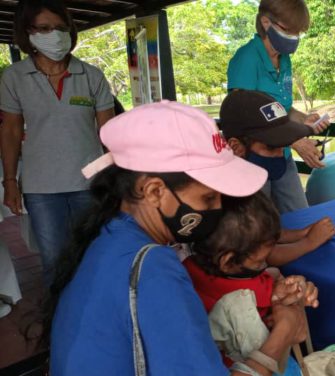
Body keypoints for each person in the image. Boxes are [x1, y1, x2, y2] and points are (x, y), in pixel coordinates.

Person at [48, 101, 315, 376]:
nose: (217, 209)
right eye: (208, 198)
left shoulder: (111, 234)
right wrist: (284, 330)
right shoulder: (153, 269)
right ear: (153, 191)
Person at [0, 0, 115, 285]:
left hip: (90, 183)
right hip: (41, 188)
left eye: (62, 28)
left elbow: (110, 133)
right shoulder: (14, 77)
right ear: (28, 33)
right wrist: (10, 182)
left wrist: (118, 179)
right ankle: (61, 319)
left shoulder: (90, 75)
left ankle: (96, 318)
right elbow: (11, 131)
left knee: (94, 254)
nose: (55, 35)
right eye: (45, 28)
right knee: (54, 261)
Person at [184, 193, 318, 374]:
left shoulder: (187, 267)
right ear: (227, 261)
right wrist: (292, 291)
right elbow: (276, 293)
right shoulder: (249, 290)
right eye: (259, 262)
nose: (264, 267)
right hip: (248, 362)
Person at [226, 0, 330, 214]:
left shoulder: (284, 61)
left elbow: (282, 109)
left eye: (298, 32)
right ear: (266, 22)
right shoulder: (246, 58)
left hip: (282, 155)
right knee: (259, 225)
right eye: (288, 30)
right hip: (252, 159)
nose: (294, 37)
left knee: (301, 215)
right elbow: (241, 118)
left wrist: (303, 121)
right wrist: (296, 141)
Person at [220, 90, 335, 265]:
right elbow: (263, 254)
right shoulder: (228, 196)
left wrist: (303, 232)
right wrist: (309, 242)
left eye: (283, 146)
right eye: (271, 147)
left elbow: (264, 231)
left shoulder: (251, 182)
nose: (280, 155)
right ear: (236, 147)